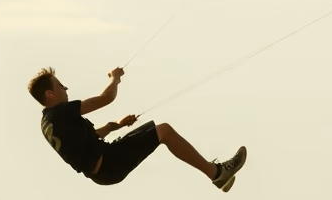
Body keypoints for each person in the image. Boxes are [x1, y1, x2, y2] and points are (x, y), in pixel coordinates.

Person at [28, 66, 246, 192]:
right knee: (164, 131)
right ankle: (217, 174)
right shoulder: (62, 112)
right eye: (60, 85)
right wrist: (115, 79)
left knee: (162, 131)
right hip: (108, 163)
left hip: (103, 167)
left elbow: (90, 138)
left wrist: (117, 126)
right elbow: (107, 98)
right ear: (50, 94)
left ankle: (217, 174)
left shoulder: (48, 123)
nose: (65, 88)